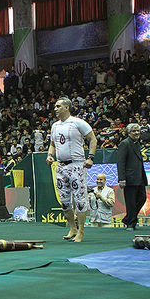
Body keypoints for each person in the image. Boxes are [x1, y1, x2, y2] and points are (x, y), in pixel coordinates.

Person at [46, 97, 97, 242]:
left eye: (58, 106)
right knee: (64, 200)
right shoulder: (54, 126)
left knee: (80, 198)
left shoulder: (78, 122)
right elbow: (52, 144)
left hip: (77, 165)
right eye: (55, 106)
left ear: (67, 107)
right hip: (61, 166)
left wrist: (91, 157)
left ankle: (81, 230)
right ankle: (72, 227)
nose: (55, 109)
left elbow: (92, 139)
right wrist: (50, 156)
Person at [117, 124, 148, 231]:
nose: (136, 133)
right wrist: (122, 179)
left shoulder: (137, 144)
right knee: (130, 202)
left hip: (140, 177)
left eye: (138, 131)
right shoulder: (125, 144)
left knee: (142, 198)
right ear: (128, 132)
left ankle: (128, 218)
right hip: (129, 178)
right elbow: (120, 162)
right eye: (134, 131)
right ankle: (131, 223)